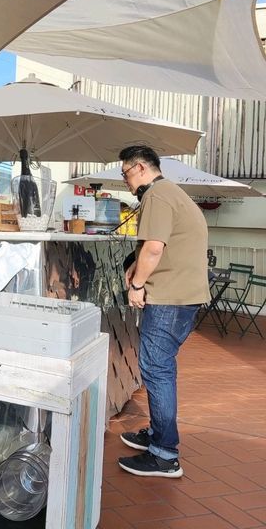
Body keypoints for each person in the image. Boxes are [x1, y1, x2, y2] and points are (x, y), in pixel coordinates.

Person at [117, 145, 209, 478]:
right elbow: (156, 247)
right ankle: (158, 435)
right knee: (160, 368)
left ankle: (165, 454)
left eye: (125, 173)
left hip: (169, 299)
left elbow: (155, 247)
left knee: (157, 369)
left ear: (140, 168)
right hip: (183, 296)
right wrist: (136, 267)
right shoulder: (173, 193)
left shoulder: (156, 195)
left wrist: (137, 284)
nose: (125, 180)